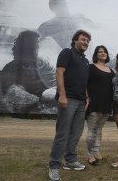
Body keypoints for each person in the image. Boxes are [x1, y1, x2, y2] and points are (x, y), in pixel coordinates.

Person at [48, 29, 91, 181]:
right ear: (75, 40)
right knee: (62, 134)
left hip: (81, 102)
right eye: (83, 39)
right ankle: (54, 166)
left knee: (76, 133)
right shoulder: (67, 53)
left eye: (87, 41)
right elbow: (59, 73)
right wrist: (62, 95)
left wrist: (87, 97)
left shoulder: (85, 60)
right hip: (68, 100)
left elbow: (83, 80)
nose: (85, 42)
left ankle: (71, 160)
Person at [86, 45, 114, 165]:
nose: (102, 53)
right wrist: (87, 97)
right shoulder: (91, 67)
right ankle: (90, 155)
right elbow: (84, 83)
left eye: (104, 52)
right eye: (100, 52)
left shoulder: (111, 70)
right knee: (92, 130)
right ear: (96, 55)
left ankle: (97, 151)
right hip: (94, 103)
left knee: (99, 129)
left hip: (107, 104)